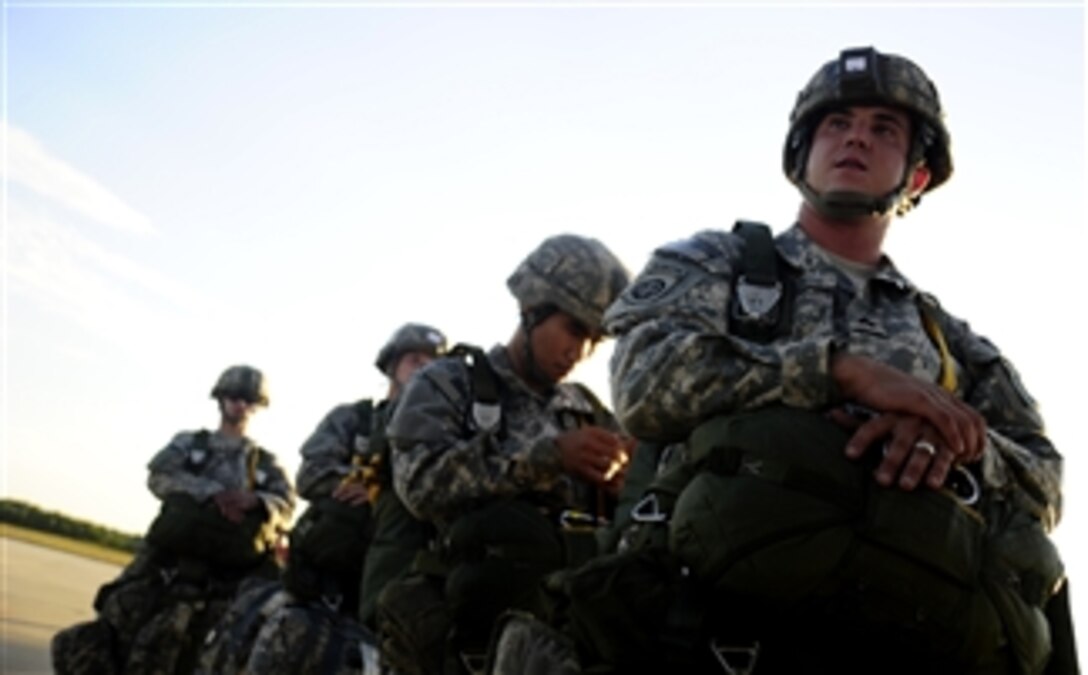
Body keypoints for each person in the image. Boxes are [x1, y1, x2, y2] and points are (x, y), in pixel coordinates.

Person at [598, 46, 1074, 674]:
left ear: (918, 175)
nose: (856, 139)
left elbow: (1043, 476)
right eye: (837, 123)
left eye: (884, 129)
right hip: (713, 634)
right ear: (802, 152)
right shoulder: (716, 264)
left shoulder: (949, 344)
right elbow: (642, 385)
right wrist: (839, 371)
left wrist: (948, 438)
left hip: (894, 636)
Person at [379, 234, 633, 674]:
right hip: (471, 621)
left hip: (570, 621)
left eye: (594, 339)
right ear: (532, 309)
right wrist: (547, 459)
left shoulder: (587, 410)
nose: (580, 351)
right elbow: (419, 483)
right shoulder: (449, 383)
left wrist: (619, 486)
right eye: (573, 329)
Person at [195, 323, 447, 674]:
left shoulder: (440, 436)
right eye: (414, 359)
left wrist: (384, 490)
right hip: (319, 587)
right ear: (391, 365)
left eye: (433, 363)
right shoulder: (354, 420)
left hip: (385, 602)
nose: (423, 368)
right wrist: (361, 484)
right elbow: (310, 474)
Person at [51, 364, 295, 675]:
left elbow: (287, 504)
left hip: (226, 579)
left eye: (249, 399)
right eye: (234, 396)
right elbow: (158, 476)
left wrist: (257, 501)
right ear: (220, 399)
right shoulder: (190, 445)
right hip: (166, 564)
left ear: (258, 406)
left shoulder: (265, 463)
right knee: (117, 622)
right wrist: (210, 493)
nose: (241, 405)